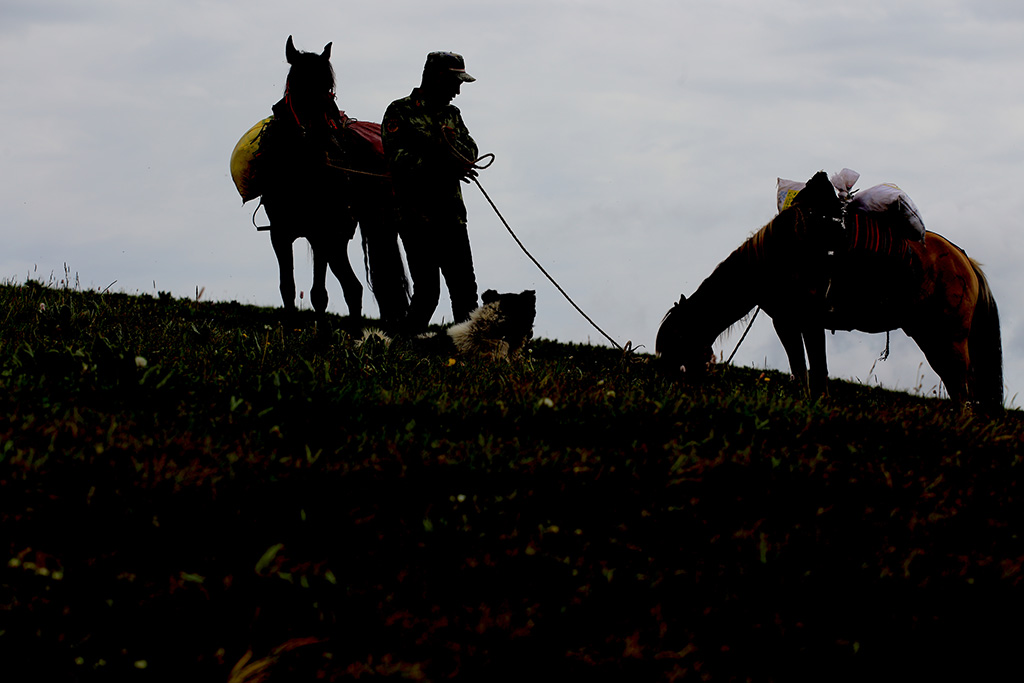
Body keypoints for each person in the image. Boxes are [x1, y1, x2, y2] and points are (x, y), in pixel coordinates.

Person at [382, 51, 481, 334]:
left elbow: (471, 150)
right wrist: (441, 159)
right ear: (438, 78)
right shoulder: (400, 112)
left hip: (452, 217)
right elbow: (398, 160)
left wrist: (455, 156)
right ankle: (400, 349)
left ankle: (468, 357)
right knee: (428, 295)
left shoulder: (452, 115)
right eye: (455, 82)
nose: (458, 91)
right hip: (417, 219)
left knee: (466, 295)